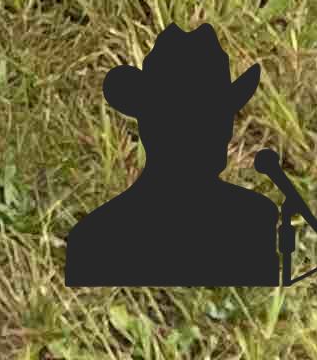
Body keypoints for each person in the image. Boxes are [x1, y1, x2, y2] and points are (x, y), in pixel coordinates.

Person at [62, 24, 288, 287]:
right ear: (155, 127)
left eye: (219, 117)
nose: (219, 132)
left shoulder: (95, 237)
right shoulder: (251, 222)